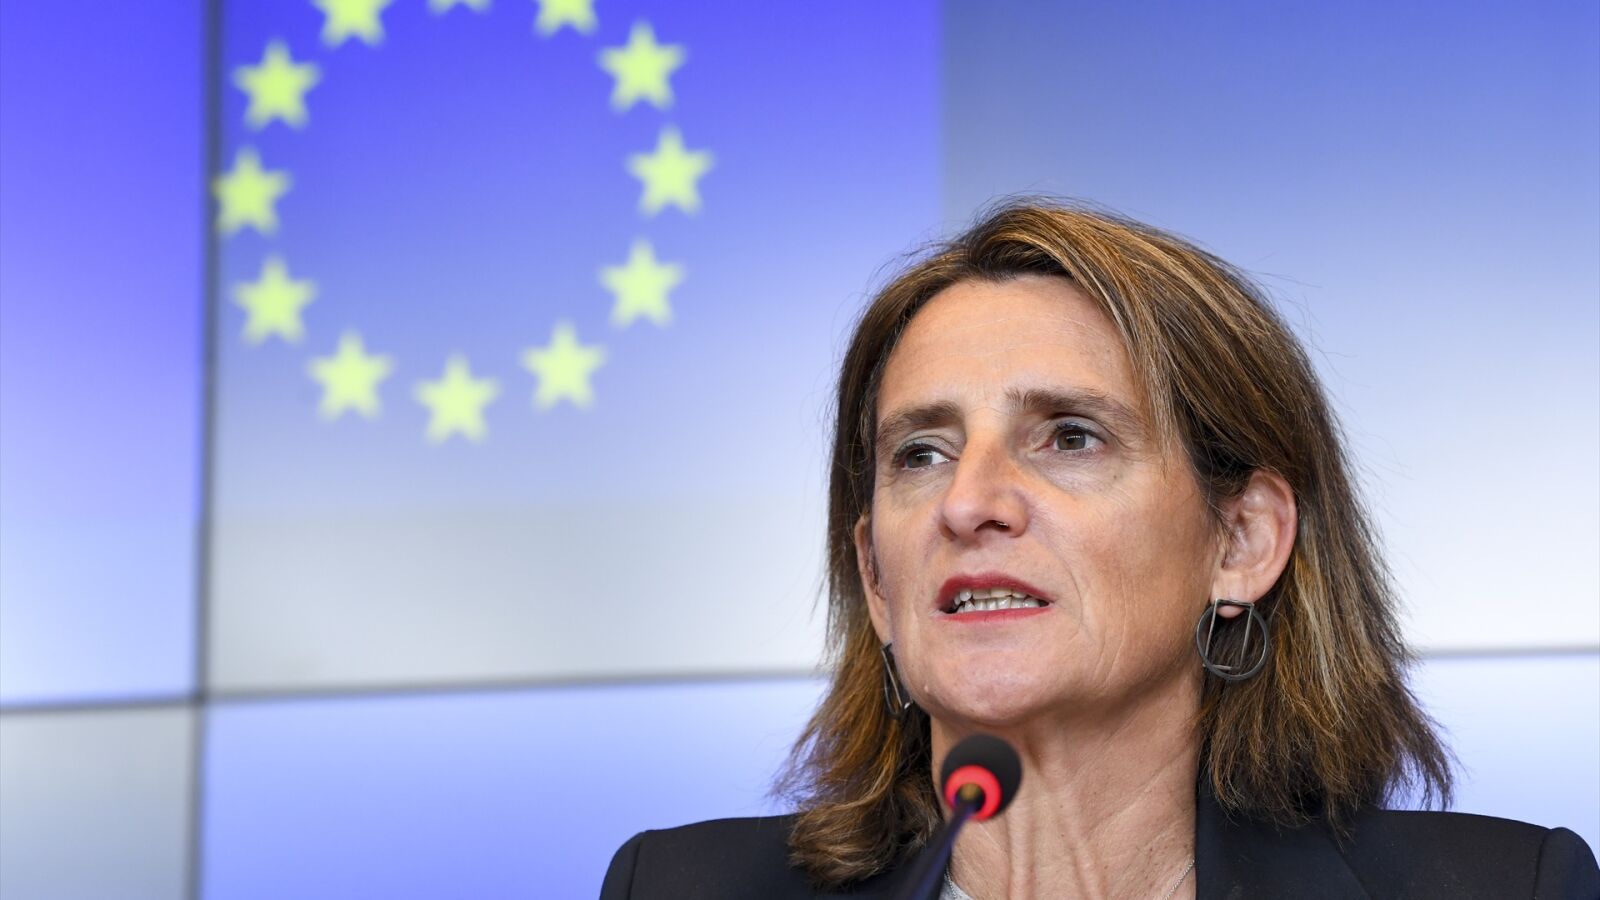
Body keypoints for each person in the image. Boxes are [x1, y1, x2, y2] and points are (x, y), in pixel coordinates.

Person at [599, 202, 1600, 899]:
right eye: (921, 453)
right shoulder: (675, 889)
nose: (968, 502)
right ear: (875, 578)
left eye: (1070, 437)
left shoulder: (1509, 888)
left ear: (1242, 541)